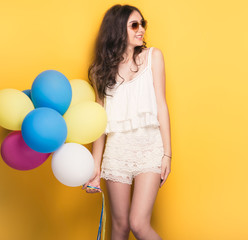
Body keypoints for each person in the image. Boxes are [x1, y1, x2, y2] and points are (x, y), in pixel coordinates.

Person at [82, 4, 172, 240]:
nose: (141, 29)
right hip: (117, 152)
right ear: (117, 30)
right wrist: (95, 165)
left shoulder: (153, 57)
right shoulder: (101, 72)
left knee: (138, 223)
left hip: (149, 148)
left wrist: (167, 154)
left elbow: (162, 105)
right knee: (120, 226)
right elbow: (99, 122)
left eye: (143, 24)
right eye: (134, 25)